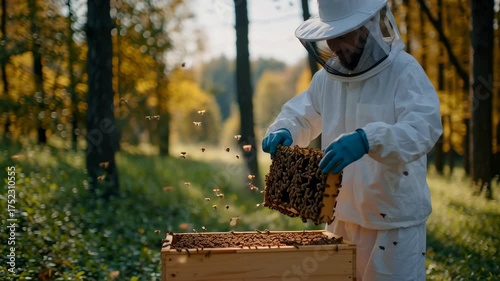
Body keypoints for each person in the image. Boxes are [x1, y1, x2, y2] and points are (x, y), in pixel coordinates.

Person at [261, 0, 442, 280]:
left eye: (342, 35)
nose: (335, 46)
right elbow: (303, 114)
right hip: (340, 217)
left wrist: (369, 139)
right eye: (330, 36)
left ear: (365, 28)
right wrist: (285, 129)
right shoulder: (327, 80)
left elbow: (424, 128)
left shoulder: (404, 72)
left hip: (392, 222)